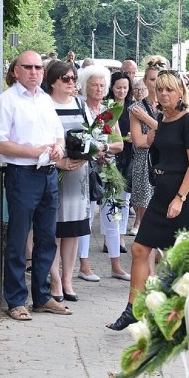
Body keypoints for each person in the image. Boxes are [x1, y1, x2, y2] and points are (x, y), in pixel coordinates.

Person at [107, 71, 189, 331]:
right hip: (160, 191)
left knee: (176, 257)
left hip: (180, 193)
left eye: (169, 90)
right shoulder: (162, 119)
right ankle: (133, 309)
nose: (163, 94)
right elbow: (147, 143)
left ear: (181, 92)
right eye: (160, 89)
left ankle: (178, 315)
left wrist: (180, 198)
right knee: (139, 249)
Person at [0, 50, 72, 320]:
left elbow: (58, 133)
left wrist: (58, 148)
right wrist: (35, 151)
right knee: (19, 237)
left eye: (38, 67)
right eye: (28, 67)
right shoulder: (7, 101)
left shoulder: (45, 100)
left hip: (48, 174)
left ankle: (42, 296)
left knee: (47, 238)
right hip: (22, 174)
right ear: (16, 71)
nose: (34, 72)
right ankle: (15, 299)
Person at [76, 65, 128, 282]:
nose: (99, 89)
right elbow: (78, 141)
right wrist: (97, 149)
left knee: (113, 216)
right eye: (94, 85)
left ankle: (116, 265)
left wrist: (103, 148)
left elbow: (119, 144)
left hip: (108, 169)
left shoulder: (109, 110)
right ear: (85, 86)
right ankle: (84, 265)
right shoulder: (80, 109)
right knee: (86, 217)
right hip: (86, 170)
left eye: (102, 85)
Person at [46, 61, 89, 303]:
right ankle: (54, 279)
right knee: (54, 230)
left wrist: (86, 156)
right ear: (53, 81)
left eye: (73, 78)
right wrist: (59, 162)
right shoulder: (45, 105)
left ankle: (68, 279)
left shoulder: (79, 104)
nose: (71, 82)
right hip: (54, 171)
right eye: (66, 79)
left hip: (77, 174)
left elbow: (92, 135)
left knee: (73, 230)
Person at [127, 63, 161, 238]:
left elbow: (173, 134)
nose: (156, 84)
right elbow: (139, 141)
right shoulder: (136, 108)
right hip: (145, 162)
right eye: (152, 79)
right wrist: (161, 135)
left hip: (166, 162)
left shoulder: (172, 105)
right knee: (146, 210)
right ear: (146, 81)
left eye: (159, 78)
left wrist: (147, 120)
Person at [107, 71, 134, 252]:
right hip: (111, 155)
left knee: (125, 198)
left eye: (125, 87)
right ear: (112, 88)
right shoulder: (107, 108)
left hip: (129, 156)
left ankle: (121, 235)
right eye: (118, 87)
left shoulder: (133, 108)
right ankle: (110, 234)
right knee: (110, 198)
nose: (122, 91)